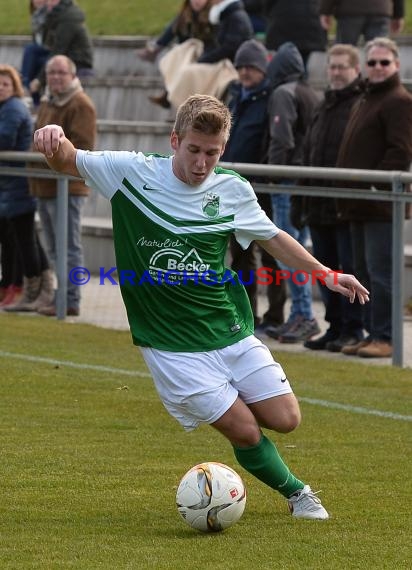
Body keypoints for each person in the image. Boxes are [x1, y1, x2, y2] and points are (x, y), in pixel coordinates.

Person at [34, 94, 369, 520]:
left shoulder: (232, 189)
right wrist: (53, 135)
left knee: (286, 419)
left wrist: (326, 274)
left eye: (211, 153)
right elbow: (66, 160)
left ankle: (243, 455)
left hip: (226, 326)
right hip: (171, 344)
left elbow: (272, 237)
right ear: (174, 140)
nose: (201, 163)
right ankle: (297, 493)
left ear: (222, 149)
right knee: (245, 429)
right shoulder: (131, 172)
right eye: (193, 150)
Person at [336, 37, 412, 358]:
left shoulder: (399, 100)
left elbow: (402, 150)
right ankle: (371, 334)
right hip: (358, 203)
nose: (377, 68)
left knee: (380, 275)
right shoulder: (367, 98)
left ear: (396, 65)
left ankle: (385, 337)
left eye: (384, 62)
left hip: (379, 204)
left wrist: (376, 186)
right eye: (372, 63)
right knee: (363, 273)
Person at [293, 44, 365, 352]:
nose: (335, 72)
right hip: (318, 203)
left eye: (341, 67)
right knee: (326, 269)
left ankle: (353, 328)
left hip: (345, 204)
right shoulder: (324, 104)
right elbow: (310, 150)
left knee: (350, 267)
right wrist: (302, 197)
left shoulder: (359, 104)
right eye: (332, 67)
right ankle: (334, 327)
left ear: (355, 70)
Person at [221, 39, 287, 330]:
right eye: (241, 66)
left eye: (251, 66)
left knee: (272, 254)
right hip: (233, 188)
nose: (245, 72)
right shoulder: (235, 95)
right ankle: (247, 315)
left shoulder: (271, 97)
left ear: (263, 68)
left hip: (261, 188)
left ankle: (275, 316)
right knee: (241, 257)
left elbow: (272, 140)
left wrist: (265, 176)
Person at [30, 55, 96, 317]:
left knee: (69, 246)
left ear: (72, 75)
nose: (55, 77)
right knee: (56, 247)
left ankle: (71, 299)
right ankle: (61, 295)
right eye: (51, 73)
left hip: (67, 187)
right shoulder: (49, 100)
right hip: (45, 187)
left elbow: (84, 148)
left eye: (61, 73)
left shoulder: (81, 104)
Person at [264, 42, 321, 344]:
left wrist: (273, 174)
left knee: (289, 252)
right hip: (304, 181)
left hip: (287, 181)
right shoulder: (309, 92)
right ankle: (301, 314)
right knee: (298, 249)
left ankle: (303, 315)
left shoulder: (283, 93)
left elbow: (281, 138)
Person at [0, 64, 52, 313]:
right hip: (11, 182)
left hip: (20, 181)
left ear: (14, 87)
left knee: (25, 239)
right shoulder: (6, 107)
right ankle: (39, 290)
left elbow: (4, 139)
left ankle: (33, 292)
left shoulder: (13, 108)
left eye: (5, 84)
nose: (1, 88)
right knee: (24, 238)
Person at [150, 0, 253, 110]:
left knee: (188, 71)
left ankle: (183, 105)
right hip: (213, 56)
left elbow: (229, 47)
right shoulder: (222, 14)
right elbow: (173, 31)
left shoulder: (232, 17)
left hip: (228, 62)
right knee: (179, 55)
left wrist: (204, 59)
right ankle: (172, 96)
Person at [29, 0, 94, 103]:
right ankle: (30, 94)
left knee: (47, 65)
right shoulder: (52, 15)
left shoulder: (69, 17)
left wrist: (39, 80)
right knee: (31, 51)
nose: (48, 3)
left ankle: (32, 96)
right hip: (62, 56)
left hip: (77, 61)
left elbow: (59, 49)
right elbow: (45, 44)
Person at [137, 0, 215, 65]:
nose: (196, 1)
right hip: (188, 53)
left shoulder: (214, 15)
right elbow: (172, 31)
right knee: (176, 24)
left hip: (208, 54)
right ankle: (156, 48)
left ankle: (156, 48)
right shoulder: (185, 15)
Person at [263, 0, 327, 68]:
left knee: (282, 66)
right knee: (302, 64)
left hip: (282, 23)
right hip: (308, 24)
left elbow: (266, 5)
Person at [320, 0, 405, 46]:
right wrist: (399, 14)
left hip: (349, 10)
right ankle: (379, 77)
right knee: (378, 51)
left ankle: (343, 77)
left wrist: (326, 11)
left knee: (344, 52)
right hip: (380, 9)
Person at [21, 0, 50, 108]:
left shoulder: (51, 15)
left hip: (52, 52)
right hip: (41, 53)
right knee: (34, 62)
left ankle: (25, 87)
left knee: (30, 50)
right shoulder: (36, 17)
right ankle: (36, 102)